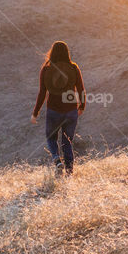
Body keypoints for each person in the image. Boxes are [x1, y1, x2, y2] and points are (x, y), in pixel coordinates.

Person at [31, 41, 85, 175]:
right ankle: (69, 172)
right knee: (67, 142)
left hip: (53, 111)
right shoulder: (73, 68)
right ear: (67, 53)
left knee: (51, 138)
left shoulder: (47, 69)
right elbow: (81, 89)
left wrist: (35, 113)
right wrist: (82, 106)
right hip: (71, 110)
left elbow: (42, 93)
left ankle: (57, 160)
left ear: (52, 52)